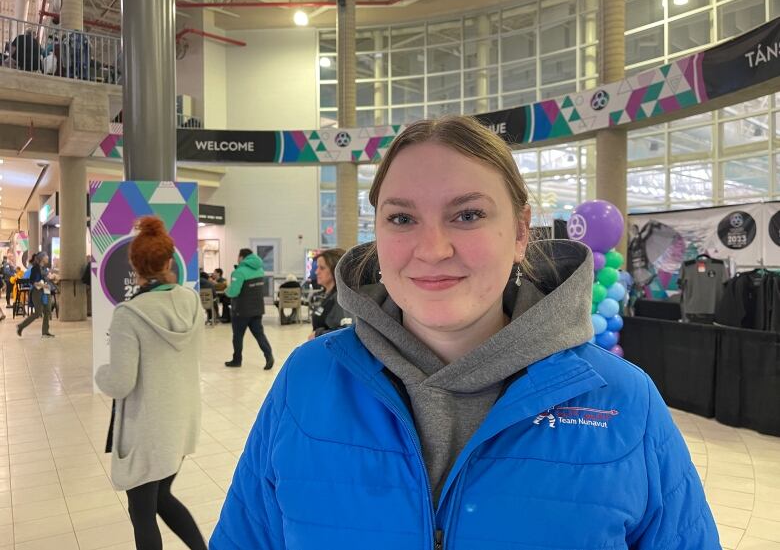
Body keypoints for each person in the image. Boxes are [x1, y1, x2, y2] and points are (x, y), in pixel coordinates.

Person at [210, 116, 719, 549]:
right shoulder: (308, 381)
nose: (432, 248)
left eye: (468, 215)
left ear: (521, 232)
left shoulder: (624, 403)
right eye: (402, 217)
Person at [95, 216, 207, 550]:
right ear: (171, 261)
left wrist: (101, 372)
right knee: (162, 497)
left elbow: (119, 382)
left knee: (142, 511)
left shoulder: (130, 315)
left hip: (147, 428)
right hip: (181, 421)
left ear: (135, 267)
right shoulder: (191, 302)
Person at [224, 249, 274, 369]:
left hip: (241, 310)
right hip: (257, 309)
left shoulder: (239, 272)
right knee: (259, 334)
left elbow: (234, 292)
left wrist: (226, 291)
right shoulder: (260, 270)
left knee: (238, 336)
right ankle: (269, 356)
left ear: (241, 257)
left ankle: (237, 360)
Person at [308, 249, 351, 339]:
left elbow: (346, 332)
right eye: (317, 267)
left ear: (335, 270)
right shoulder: (328, 295)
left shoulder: (341, 298)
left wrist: (318, 334)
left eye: (322, 268)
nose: (316, 272)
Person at [16, 252, 54, 338]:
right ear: (42, 258)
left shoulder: (44, 268)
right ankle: (21, 326)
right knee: (38, 312)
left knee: (47, 310)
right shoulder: (35, 268)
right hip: (37, 292)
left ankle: (45, 332)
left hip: (46, 291)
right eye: (46, 256)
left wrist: (52, 278)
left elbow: (47, 277)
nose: (48, 258)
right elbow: (32, 281)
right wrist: (42, 285)